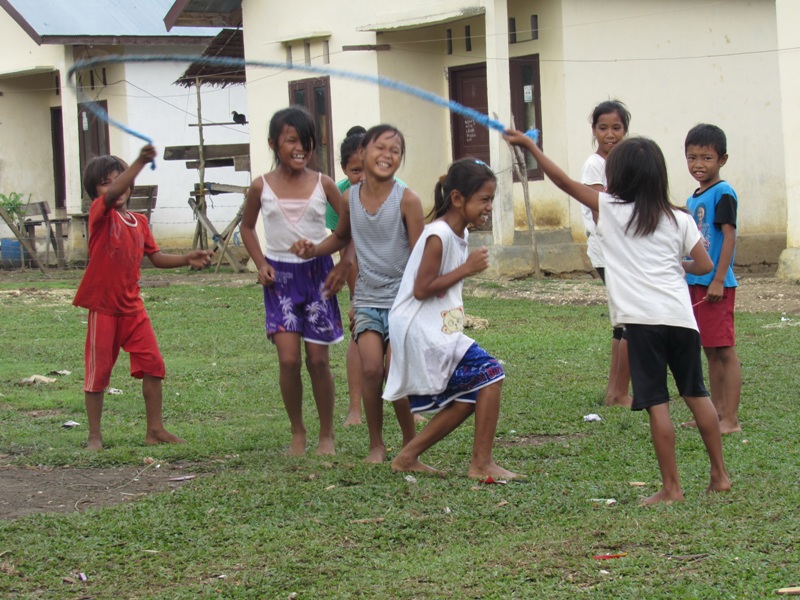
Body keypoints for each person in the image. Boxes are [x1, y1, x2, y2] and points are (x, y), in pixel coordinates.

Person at [505, 130, 731, 505]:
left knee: (657, 403)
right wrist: (676, 262)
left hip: (642, 324)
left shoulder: (610, 208)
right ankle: (720, 476)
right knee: (696, 393)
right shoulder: (678, 217)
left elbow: (562, 181)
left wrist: (530, 148)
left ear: (618, 177)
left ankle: (672, 489)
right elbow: (704, 265)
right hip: (681, 320)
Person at [291, 124, 423, 463]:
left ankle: (411, 447)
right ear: (362, 154)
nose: (388, 155)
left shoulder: (407, 200)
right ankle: (376, 445)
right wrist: (314, 250)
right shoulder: (350, 198)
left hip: (401, 303)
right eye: (381, 148)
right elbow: (340, 237)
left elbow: (422, 255)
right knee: (370, 370)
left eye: (396, 151)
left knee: (396, 371)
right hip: (367, 300)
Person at [384, 159, 518, 479]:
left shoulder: (459, 234)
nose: (489, 207)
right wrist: (466, 269)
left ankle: (407, 456)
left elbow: (444, 293)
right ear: (458, 199)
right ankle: (481, 464)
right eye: (483, 199)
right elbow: (421, 288)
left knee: (474, 392)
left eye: (491, 199)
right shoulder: (439, 235)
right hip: (419, 330)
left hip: (439, 329)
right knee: (492, 373)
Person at [73, 145, 212, 450]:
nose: (115, 187)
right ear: (95, 191)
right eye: (106, 182)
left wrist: (187, 258)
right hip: (104, 308)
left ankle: (155, 430)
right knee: (98, 373)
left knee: (153, 364)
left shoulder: (140, 222)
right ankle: (95, 435)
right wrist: (139, 162)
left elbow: (156, 257)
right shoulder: (100, 214)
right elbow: (111, 196)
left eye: (118, 179)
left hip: (133, 309)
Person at [240, 106, 349, 456]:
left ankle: (327, 434)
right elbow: (246, 227)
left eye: (306, 141)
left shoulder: (324, 184)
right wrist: (260, 263)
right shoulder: (261, 186)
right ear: (274, 143)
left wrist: (342, 266)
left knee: (318, 360)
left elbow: (351, 229)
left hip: (318, 277)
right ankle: (298, 431)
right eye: (291, 141)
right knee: (289, 359)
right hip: (280, 281)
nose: (299, 148)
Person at [682, 124, 742, 434]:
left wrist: (719, 278)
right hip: (697, 283)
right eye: (692, 158)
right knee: (709, 349)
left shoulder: (723, 193)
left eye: (706, 158)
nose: (698, 165)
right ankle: (716, 413)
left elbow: (729, 238)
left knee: (724, 350)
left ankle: (730, 418)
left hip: (716, 285)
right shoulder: (694, 197)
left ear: (722, 159)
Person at [581, 100, 633, 407]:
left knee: (622, 321)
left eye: (616, 128)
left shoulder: (624, 163)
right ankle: (618, 393)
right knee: (629, 320)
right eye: (603, 128)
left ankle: (616, 391)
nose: (610, 134)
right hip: (608, 251)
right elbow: (602, 208)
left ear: (625, 130)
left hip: (625, 250)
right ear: (594, 131)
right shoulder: (594, 164)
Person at [330, 127, 366, 426]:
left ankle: (413, 404)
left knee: (400, 342)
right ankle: (355, 409)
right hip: (359, 270)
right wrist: (355, 298)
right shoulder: (341, 197)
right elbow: (344, 249)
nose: (363, 177)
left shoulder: (400, 193)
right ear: (345, 169)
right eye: (356, 170)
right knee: (358, 335)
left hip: (395, 274)